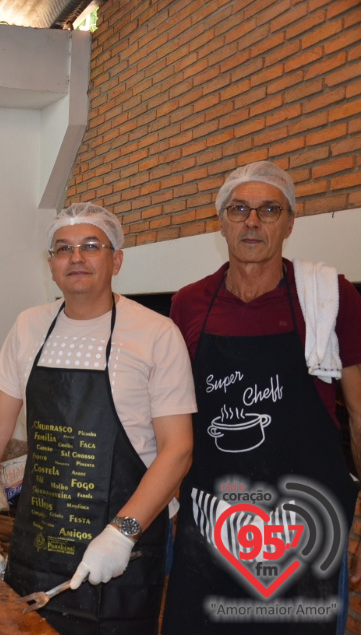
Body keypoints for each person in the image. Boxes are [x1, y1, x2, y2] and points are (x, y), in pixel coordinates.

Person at [0, 203, 196, 634]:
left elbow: (178, 449)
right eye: (63, 248)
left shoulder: (156, 333)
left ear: (116, 259)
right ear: (51, 264)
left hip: (125, 543)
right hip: (42, 538)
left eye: (91, 246)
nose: (76, 257)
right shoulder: (29, 326)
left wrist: (122, 533)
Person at [161, 161, 361, 635]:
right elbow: (173, 420)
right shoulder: (188, 302)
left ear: (290, 222)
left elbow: (358, 412)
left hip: (306, 534)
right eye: (239, 209)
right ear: (221, 222)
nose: (252, 222)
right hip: (210, 529)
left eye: (269, 210)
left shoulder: (329, 297)